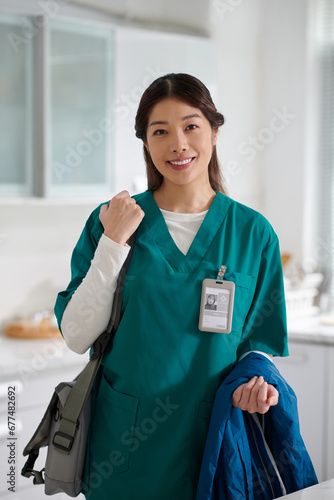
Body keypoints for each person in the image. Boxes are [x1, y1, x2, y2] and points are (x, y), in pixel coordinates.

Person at [54, 73, 288, 500]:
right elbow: (76, 336)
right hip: (125, 449)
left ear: (214, 131)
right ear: (145, 142)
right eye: (159, 131)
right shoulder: (113, 220)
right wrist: (113, 243)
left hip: (213, 441)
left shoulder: (254, 233)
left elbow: (255, 344)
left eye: (191, 126)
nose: (177, 143)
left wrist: (258, 385)